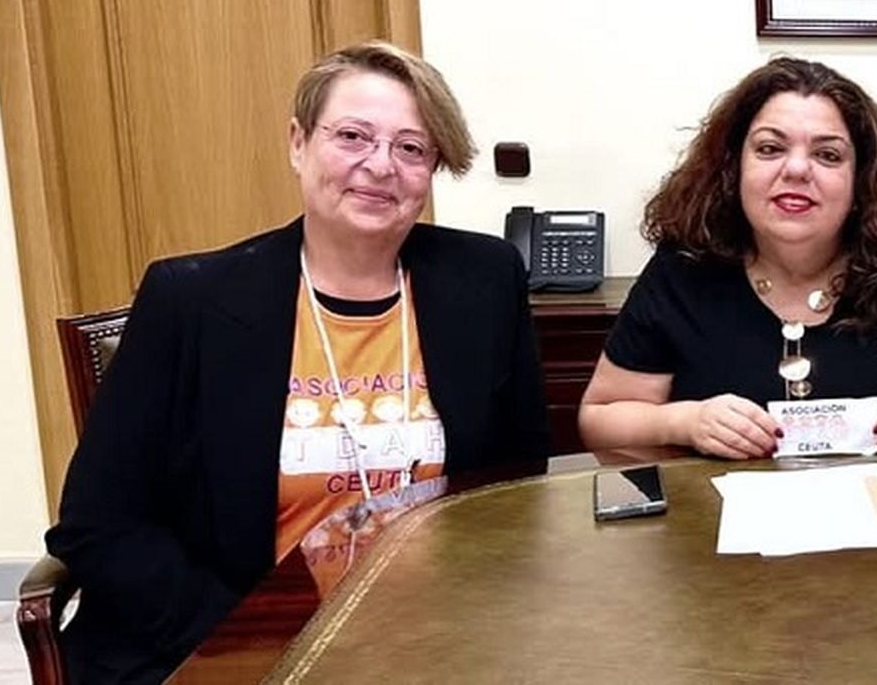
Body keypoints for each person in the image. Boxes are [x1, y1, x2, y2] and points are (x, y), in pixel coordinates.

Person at [47, 41, 549, 682]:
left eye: (411, 148)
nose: (380, 166)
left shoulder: (483, 280)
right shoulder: (191, 299)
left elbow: (520, 483)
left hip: (432, 635)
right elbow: (98, 524)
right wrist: (254, 642)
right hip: (240, 637)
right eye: (352, 136)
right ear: (298, 144)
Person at [579, 58, 877, 458]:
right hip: (719, 526)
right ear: (733, 167)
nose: (797, 170)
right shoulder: (686, 265)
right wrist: (683, 422)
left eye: (828, 155)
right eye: (770, 149)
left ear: (861, 181)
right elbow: (600, 419)